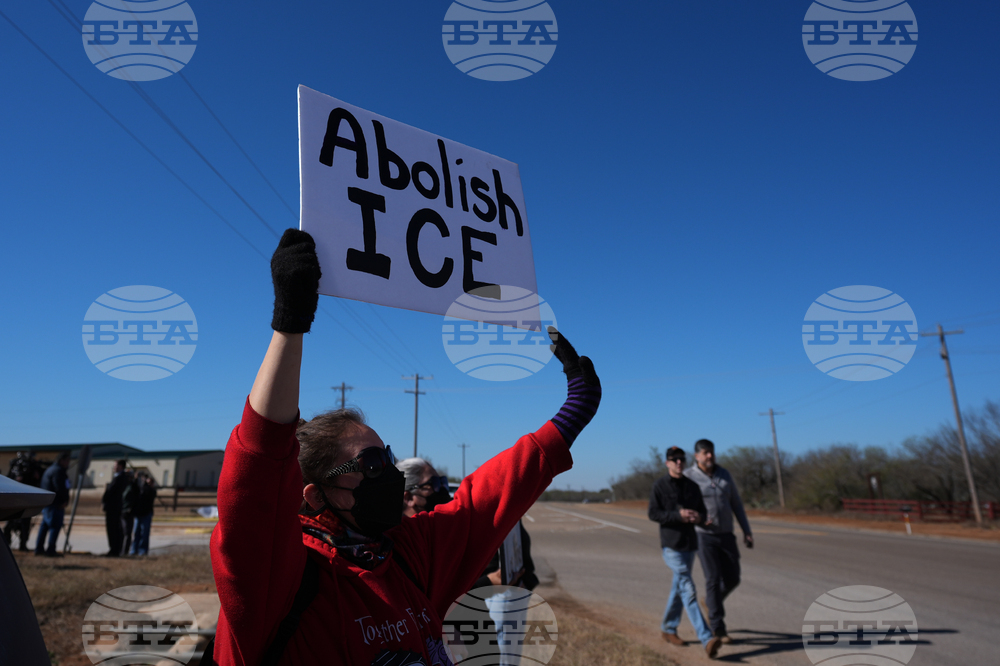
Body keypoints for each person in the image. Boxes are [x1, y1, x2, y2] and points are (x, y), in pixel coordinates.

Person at [207, 229, 602, 666]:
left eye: (389, 458)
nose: (392, 476)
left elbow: (482, 499)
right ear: (317, 495)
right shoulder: (281, 579)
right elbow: (257, 474)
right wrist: (290, 324)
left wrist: (571, 415)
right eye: (372, 464)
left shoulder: (405, 555)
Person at [648, 446, 721, 659]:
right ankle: (707, 639)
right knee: (688, 589)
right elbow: (653, 513)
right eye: (674, 459)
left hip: (690, 545)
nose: (678, 462)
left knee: (678, 588)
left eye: (681, 459)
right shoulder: (659, 486)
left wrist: (698, 517)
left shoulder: (692, 486)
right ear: (667, 463)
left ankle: (668, 628)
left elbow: (703, 512)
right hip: (671, 546)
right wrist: (677, 515)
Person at [684, 439, 753, 644]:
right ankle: (718, 629)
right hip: (703, 535)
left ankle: (711, 603)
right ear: (696, 456)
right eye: (705, 453)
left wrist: (746, 531)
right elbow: (683, 504)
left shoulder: (724, 474)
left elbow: (736, 504)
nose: (709, 456)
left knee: (733, 578)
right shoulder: (689, 477)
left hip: (726, 534)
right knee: (712, 579)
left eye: (711, 452)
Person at [34, 452, 71, 557]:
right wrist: (63, 501)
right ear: (61, 460)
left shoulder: (50, 469)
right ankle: (51, 550)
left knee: (44, 526)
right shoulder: (58, 471)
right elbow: (59, 487)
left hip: (48, 503)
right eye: (67, 460)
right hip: (55, 504)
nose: (68, 463)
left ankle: (39, 548)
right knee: (54, 526)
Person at [4, 452, 41, 551]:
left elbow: (35, 484)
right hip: (13, 502)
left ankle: (23, 544)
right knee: (9, 525)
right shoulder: (15, 469)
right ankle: (6, 544)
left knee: (25, 525)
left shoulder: (32, 472)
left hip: (25, 503)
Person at [101, 460, 131, 557]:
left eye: (116, 465)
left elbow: (111, 491)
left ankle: (114, 549)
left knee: (113, 529)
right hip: (113, 506)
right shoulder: (118, 477)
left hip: (114, 507)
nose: (114, 467)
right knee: (113, 529)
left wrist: (106, 495)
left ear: (121, 466)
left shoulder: (120, 477)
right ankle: (114, 549)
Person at [127, 473, 157, 556]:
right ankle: (134, 549)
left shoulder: (151, 490)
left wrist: (146, 484)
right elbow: (134, 490)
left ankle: (142, 550)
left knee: (144, 533)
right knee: (136, 532)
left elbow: (146, 493)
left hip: (146, 513)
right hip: (138, 513)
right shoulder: (138, 488)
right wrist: (136, 480)